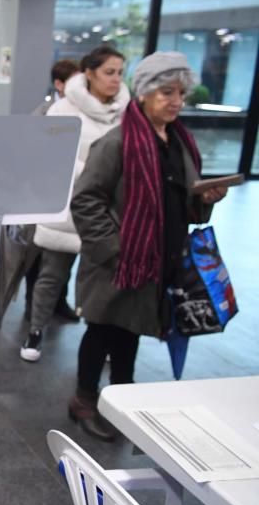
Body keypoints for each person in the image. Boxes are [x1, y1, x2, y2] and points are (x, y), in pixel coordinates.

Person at [69, 51, 227, 441]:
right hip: (120, 262)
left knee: (131, 332)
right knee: (103, 330)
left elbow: (180, 198)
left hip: (157, 258)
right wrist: (117, 248)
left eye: (180, 93)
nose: (175, 101)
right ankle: (84, 400)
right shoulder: (119, 142)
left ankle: (123, 401)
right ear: (143, 93)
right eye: (166, 92)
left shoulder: (179, 141)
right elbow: (85, 200)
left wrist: (204, 200)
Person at [22, 47, 130, 363]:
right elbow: (48, 157)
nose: (116, 79)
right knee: (52, 273)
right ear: (89, 73)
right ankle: (35, 330)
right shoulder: (63, 110)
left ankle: (105, 342)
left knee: (105, 283)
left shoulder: (126, 112)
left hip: (108, 211)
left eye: (120, 72)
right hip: (68, 205)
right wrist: (94, 175)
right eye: (109, 72)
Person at [23, 58, 81, 321]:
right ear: (59, 84)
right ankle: (31, 304)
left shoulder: (83, 114)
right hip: (42, 194)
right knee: (36, 254)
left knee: (65, 251)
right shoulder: (45, 112)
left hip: (71, 196)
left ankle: (59, 301)